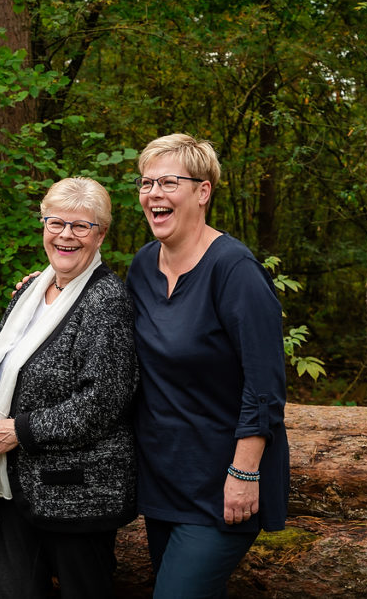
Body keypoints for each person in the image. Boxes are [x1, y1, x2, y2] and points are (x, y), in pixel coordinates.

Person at [126, 134, 289, 597]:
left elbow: (265, 387)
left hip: (224, 486)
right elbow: (102, 324)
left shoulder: (235, 271)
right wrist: (46, 288)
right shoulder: (142, 266)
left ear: (202, 191)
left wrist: (244, 473)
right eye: (146, 182)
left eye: (168, 182)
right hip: (164, 480)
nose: (153, 193)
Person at [0, 177, 138, 599]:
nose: (65, 235)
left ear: (100, 234)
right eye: (55, 222)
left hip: (79, 495)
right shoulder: (30, 293)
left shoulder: (107, 301)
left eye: (81, 226)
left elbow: (101, 403)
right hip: (16, 489)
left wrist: (17, 431)